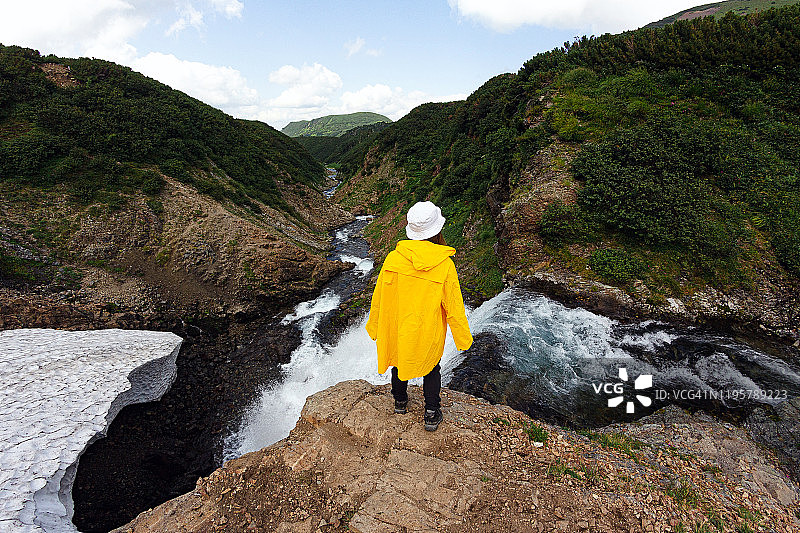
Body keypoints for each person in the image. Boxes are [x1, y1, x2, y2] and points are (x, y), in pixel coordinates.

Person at [365, 201, 474, 431]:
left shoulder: (394, 259)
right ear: (437, 230)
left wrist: (374, 325)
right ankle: (431, 412)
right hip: (427, 329)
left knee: (398, 359)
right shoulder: (444, 264)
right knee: (431, 368)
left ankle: (400, 401)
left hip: (400, 326)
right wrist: (463, 339)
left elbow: (379, 297)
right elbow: (455, 306)